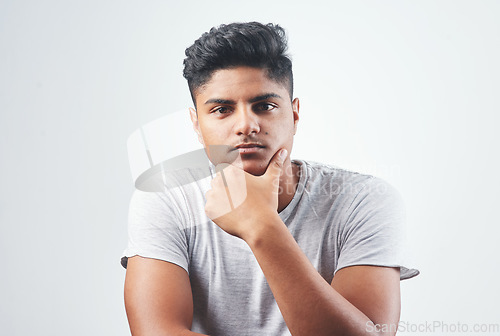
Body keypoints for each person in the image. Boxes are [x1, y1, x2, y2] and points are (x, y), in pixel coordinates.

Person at [121, 22, 419, 336]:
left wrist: (261, 225)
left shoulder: (363, 199)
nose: (246, 125)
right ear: (196, 124)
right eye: (222, 109)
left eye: (264, 106)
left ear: (294, 114)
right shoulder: (168, 197)